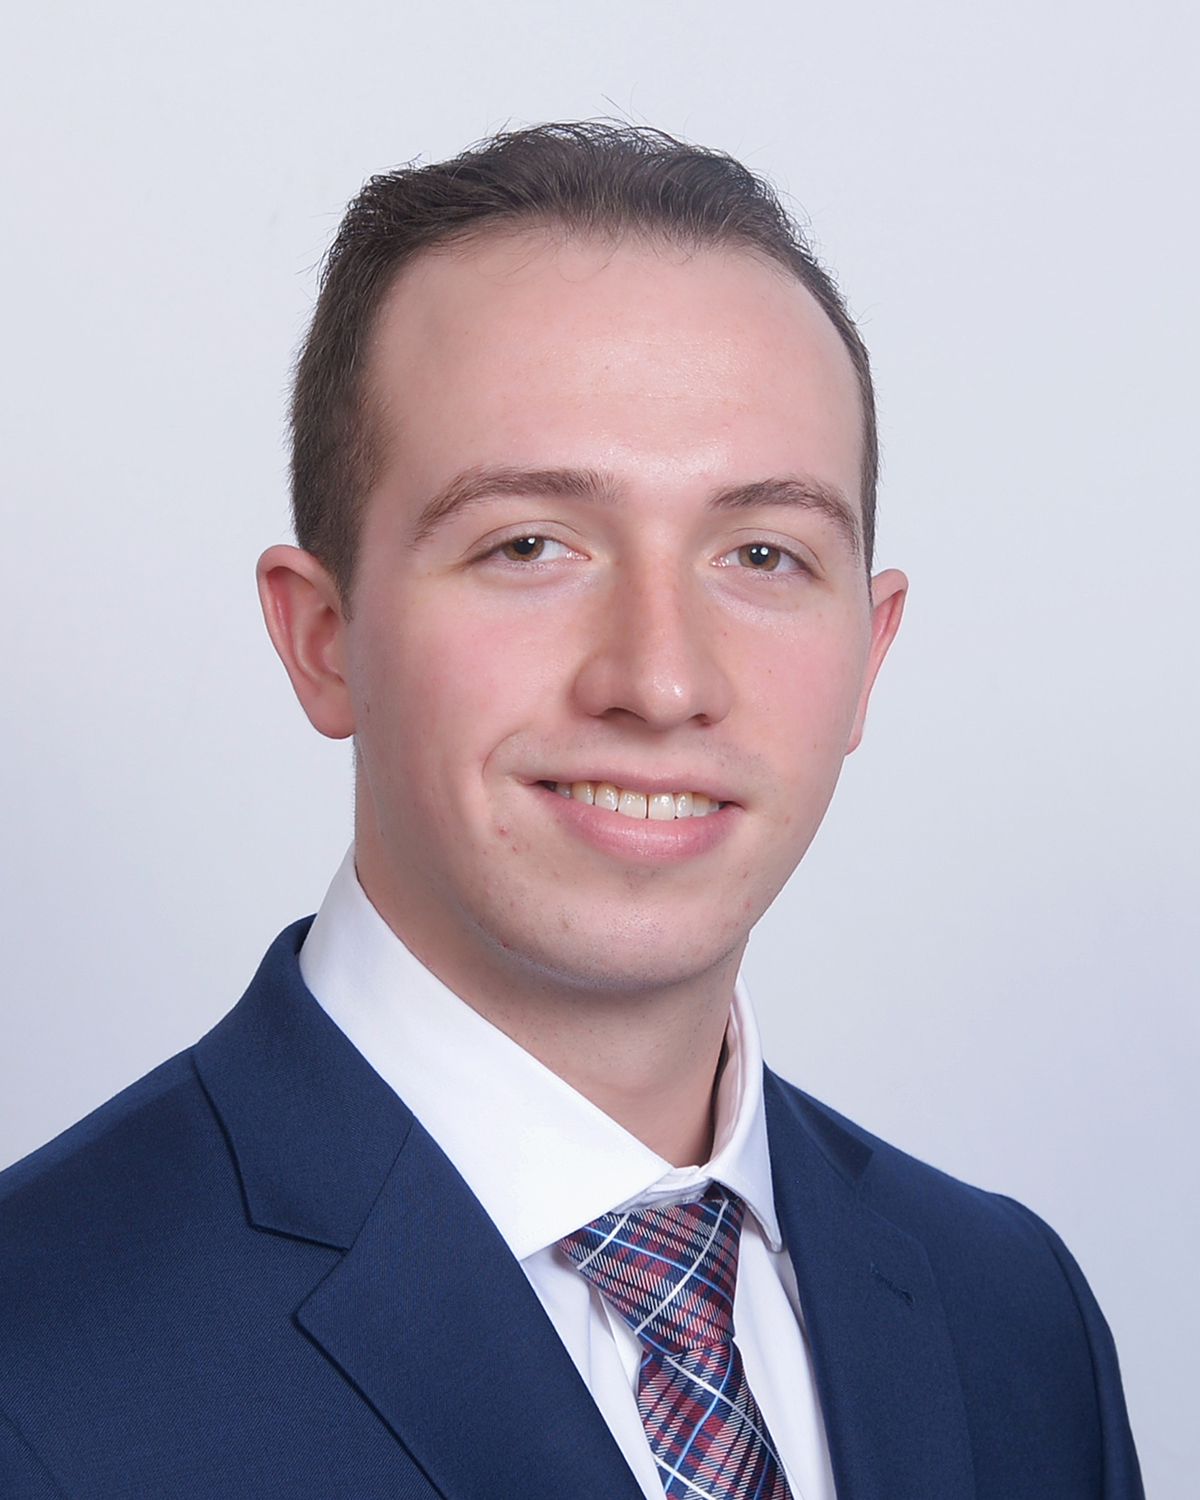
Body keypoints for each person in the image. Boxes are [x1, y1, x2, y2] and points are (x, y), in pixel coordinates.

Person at [0, 123, 1142, 1500]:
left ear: (868, 654)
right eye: (529, 544)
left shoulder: (1012, 1319)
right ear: (323, 638)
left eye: (763, 552)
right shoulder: (35, 1359)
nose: (660, 681)